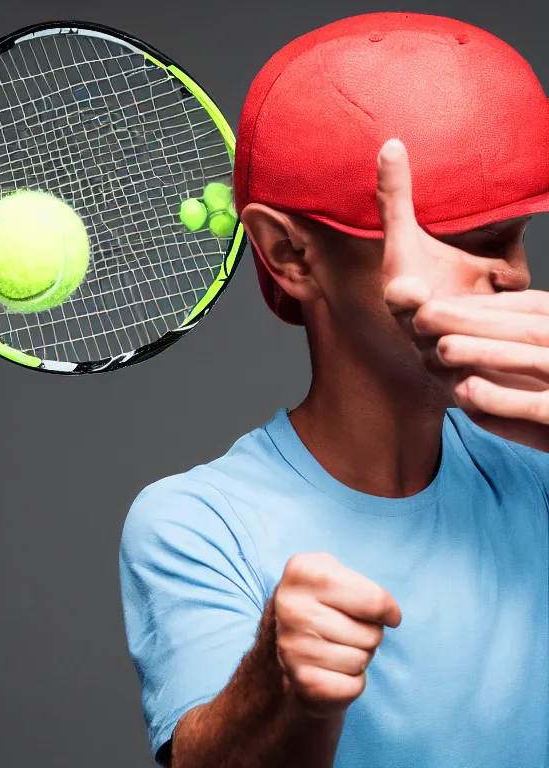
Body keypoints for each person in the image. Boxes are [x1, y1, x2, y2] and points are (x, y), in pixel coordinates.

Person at [119, 12, 549, 768]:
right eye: (453, 237)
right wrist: (282, 686)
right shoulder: (196, 524)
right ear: (290, 254)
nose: (508, 274)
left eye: (511, 235)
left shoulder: (540, 469)